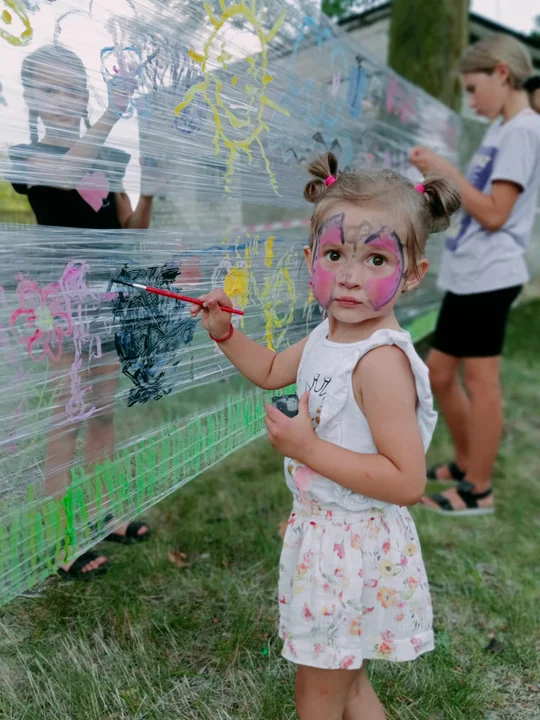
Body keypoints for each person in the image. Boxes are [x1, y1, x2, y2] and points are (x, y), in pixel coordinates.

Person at [190, 152, 460, 719]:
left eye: (376, 257)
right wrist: (225, 334)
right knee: (350, 690)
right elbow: (268, 371)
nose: (350, 275)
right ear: (310, 258)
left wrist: (309, 450)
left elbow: (407, 480)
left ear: (412, 274)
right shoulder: (327, 334)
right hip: (328, 540)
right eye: (335, 254)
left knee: (317, 701)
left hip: (352, 551)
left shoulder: (379, 363)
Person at [8, 44, 154, 578]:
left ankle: (101, 516)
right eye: (49, 89)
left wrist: (152, 184)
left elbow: (129, 231)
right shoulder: (25, 157)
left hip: (107, 297)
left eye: (72, 87)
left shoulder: (111, 159)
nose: (62, 98)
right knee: (66, 418)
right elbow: (67, 176)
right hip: (62, 305)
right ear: (31, 99)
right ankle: (61, 538)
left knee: (101, 412)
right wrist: (115, 112)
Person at [409, 33, 540, 516]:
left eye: (472, 87)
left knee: (482, 382)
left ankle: (478, 490)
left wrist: (448, 169)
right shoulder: (502, 129)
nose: (470, 99)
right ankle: (467, 464)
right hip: (470, 274)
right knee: (441, 374)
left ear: (502, 74)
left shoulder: (525, 130)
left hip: (491, 274)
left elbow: (495, 214)